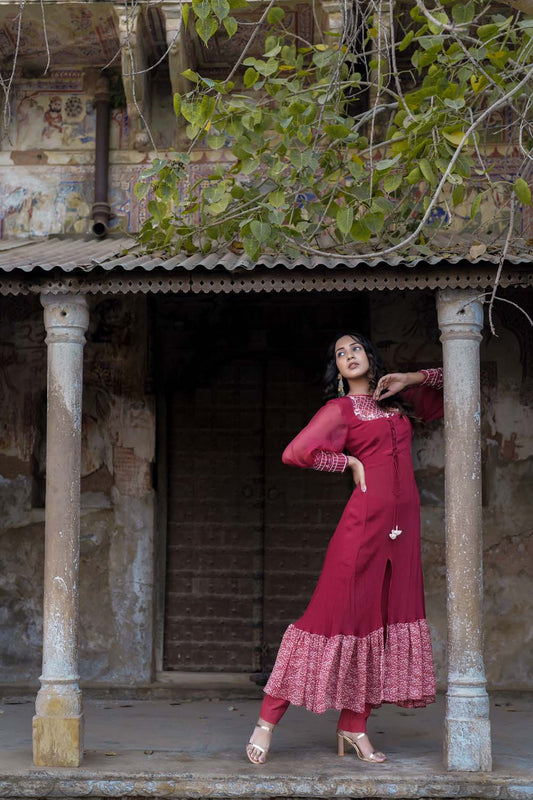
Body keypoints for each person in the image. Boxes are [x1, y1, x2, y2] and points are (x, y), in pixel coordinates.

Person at [246, 333, 443, 765]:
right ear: (336, 370)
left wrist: (408, 378)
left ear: (371, 358)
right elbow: (296, 452)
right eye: (340, 353)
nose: (348, 356)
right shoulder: (338, 410)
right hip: (362, 528)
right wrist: (348, 463)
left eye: (355, 349)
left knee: (388, 623)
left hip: (404, 529)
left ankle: (354, 726)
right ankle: (266, 720)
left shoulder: (397, 406)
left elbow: (457, 380)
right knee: (331, 618)